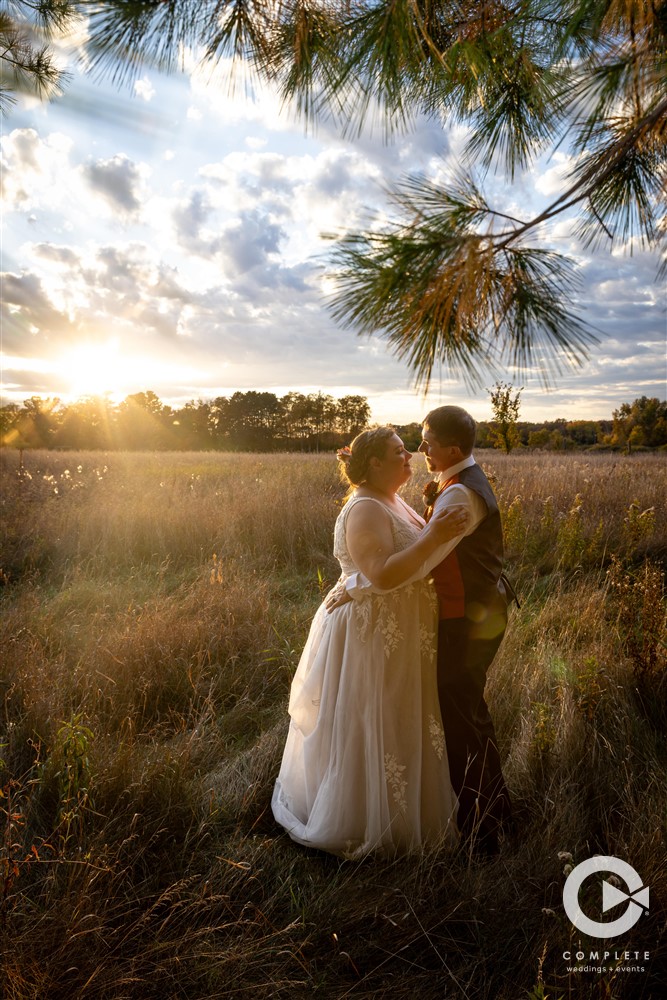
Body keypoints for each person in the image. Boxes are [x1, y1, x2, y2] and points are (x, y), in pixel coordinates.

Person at [271, 426, 467, 859]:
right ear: (374, 463)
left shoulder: (391, 499)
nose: (410, 457)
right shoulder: (362, 508)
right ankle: (365, 821)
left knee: (398, 713)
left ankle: (405, 815)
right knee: (373, 715)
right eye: (399, 452)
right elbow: (381, 573)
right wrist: (434, 536)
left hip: (400, 631)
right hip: (372, 632)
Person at [336, 406, 512, 856]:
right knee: (461, 716)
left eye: (424, 442)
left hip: (466, 619)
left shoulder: (456, 496)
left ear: (452, 449)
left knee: (462, 720)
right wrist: (357, 581)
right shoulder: (435, 489)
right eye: (404, 448)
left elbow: (426, 560)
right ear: (374, 464)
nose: (417, 451)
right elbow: (396, 562)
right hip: (441, 620)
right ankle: (487, 815)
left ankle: (485, 827)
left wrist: (357, 584)